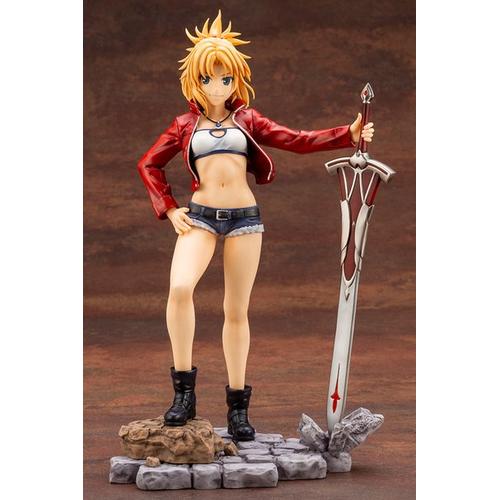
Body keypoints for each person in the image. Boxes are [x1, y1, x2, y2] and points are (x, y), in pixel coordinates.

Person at [137, 10, 374, 441]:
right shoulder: (184, 125)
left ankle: (237, 407)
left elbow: (296, 140)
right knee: (180, 288)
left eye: (225, 78)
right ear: (194, 81)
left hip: (245, 220)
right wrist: (169, 208)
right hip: (200, 218)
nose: (217, 86)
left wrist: (348, 133)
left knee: (236, 310)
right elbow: (149, 163)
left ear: (236, 80)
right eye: (208, 78)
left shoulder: (247, 120)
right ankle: (184, 395)